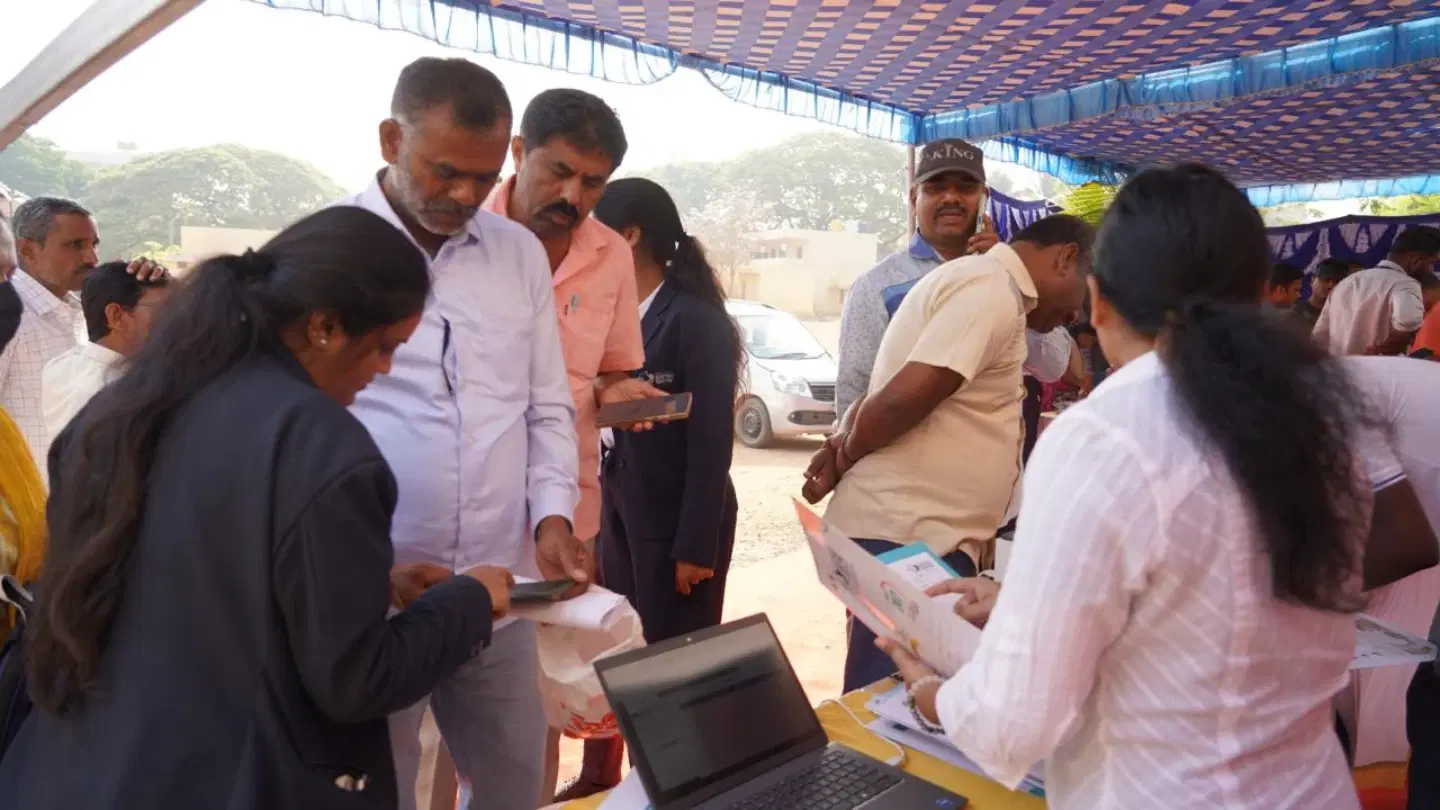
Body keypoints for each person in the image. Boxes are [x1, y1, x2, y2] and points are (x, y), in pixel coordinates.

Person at [879, 164, 1377, 809]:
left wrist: (928, 695)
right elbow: (1215, 610)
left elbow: (1015, 720)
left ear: (1099, 299)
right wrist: (1025, 597)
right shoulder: (1322, 422)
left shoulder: (1108, 434)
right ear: (1259, 292)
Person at [0, 206, 514, 810]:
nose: (385, 371)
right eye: (385, 347)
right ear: (323, 326)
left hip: (79, 769)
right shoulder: (320, 444)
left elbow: (194, 588)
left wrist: (364, 582)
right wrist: (470, 602)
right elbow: (354, 680)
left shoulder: (124, 409)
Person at [337, 57, 589, 810]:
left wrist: (552, 514)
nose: (465, 196)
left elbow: (546, 404)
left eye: (484, 180)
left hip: (496, 586)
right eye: (446, 171)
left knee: (513, 786)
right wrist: (358, 569)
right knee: (376, 788)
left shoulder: (514, 253)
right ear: (390, 138)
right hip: (372, 593)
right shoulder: (331, 249)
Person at [804, 213, 1092, 693]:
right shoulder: (989, 289)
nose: (1076, 316)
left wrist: (842, 449)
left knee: (902, 707)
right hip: (910, 537)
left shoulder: (988, 287)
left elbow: (890, 394)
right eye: (1085, 295)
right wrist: (846, 456)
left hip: (921, 535)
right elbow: (900, 399)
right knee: (897, 713)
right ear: (1066, 257)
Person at [480, 86, 663, 805]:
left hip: (566, 504)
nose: (571, 194)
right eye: (556, 172)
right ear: (519, 153)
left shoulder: (610, 252)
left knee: (542, 681)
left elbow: (614, 370)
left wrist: (624, 396)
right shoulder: (460, 235)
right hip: (464, 504)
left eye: (592, 183)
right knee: (441, 699)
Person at [563, 177, 747, 797]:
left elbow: (712, 440)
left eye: (595, 227)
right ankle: (612, 778)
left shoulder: (694, 320)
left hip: (677, 522)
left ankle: (674, 785)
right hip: (620, 506)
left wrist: (695, 544)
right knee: (620, 650)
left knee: (671, 664)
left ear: (630, 235)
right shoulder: (612, 316)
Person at [0, 198, 166, 481]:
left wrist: (154, 285)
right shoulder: (9, 315)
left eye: (94, 244)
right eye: (75, 245)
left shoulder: (79, 311)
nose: (92, 258)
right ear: (27, 250)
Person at [42, 261, 171, 448]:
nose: (175, 320)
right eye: (164, 310)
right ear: (116, 316)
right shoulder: (122, 393)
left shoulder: (59, 367)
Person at [1314, 225, 1440, 356]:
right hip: (1379, 372)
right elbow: (1408, 324)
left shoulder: (1346, 283)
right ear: (1416, 260)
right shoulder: (1405, 284)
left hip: (1340, 371)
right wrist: (1382, 351)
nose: (1431, 269)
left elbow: (1319, 337)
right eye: (1431, 263)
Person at [1290, 257, 1355, 330]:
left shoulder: (1345, 317)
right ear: (1312, 280)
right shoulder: (1294, 312)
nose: (1330, 285)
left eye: (1337, 282)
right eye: (1326, 279)